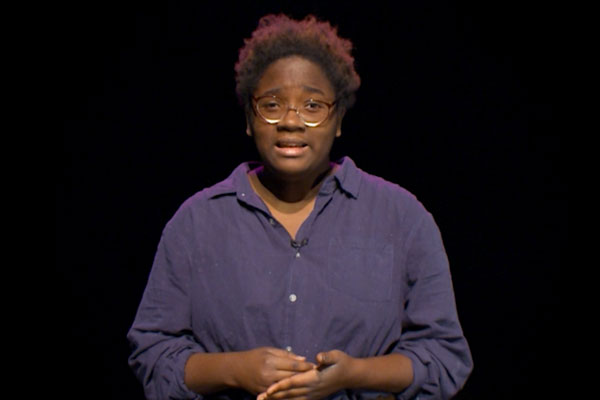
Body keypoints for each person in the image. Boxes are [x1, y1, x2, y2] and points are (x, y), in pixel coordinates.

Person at [127, 14, 473, 400]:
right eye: (272, 104)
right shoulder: (195, 224)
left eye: (312, 105)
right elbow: (152, 353)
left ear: (338, 119)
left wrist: (354, 374)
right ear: (249, 118)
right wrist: (235, 369)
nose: (291, 121)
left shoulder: (402, 218)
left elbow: (444, 355)